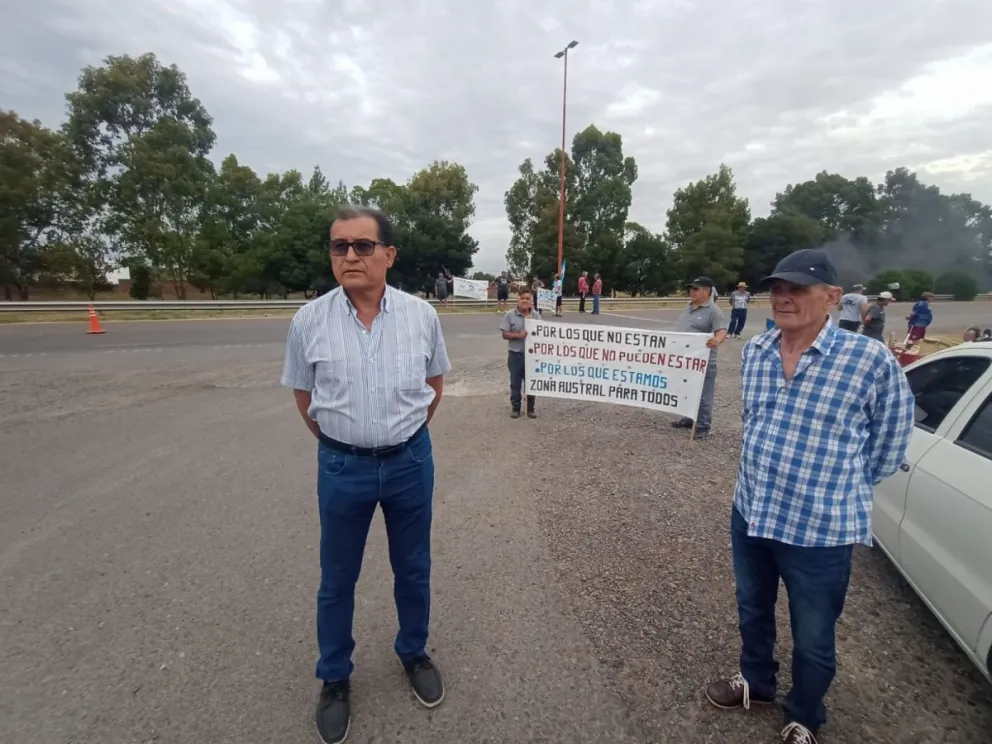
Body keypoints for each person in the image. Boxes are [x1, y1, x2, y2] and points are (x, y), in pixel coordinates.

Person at [704, 248, 914, 744]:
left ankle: (804, 713)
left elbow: (890, 443)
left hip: (819, 531)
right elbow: (756, 426)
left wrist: (837, 489)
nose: (783, 297)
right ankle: (756, 681)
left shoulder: (869, 360)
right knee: (752, 608)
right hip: (752, 511)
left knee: (814, 634)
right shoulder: (756, 352)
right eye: (778, 288)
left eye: (797, 289)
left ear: (832, 298)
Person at [281, 206, 451, 744]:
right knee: (337, 581)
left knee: (414, 568)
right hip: (342, 465)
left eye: (361, 246)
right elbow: (304, 398)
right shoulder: (308, 321)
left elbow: (433, 388)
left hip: (409, 462)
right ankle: (334, 678)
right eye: (339, 247)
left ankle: (413, 651)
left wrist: (397, 439)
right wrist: (347, 444)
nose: (350, 256)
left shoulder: (422, 315)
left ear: (388, 255)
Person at [670, 276, 727, 439]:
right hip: (686, 359)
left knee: (703, 394)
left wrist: (717, 340)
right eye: (691, 288)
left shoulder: (713, 311)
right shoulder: (688, 307)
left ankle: (702, 425)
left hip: (703, 360)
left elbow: (722, 331)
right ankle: (689, 418)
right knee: (688, 389)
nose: (691, 292)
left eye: (695, 289)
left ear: (706, 291)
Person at [500, 289, 539, 418]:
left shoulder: (536, 315)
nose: (525, 301)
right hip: (515, 355)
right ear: (518, 299)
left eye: (528, 298)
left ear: (531, 301)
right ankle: (515, 407)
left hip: (532, 356)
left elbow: (544, 333)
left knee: (531, 383)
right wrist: (518, 335)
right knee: (515, 383)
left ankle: (530, 408)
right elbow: (505, 334)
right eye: (522, 298)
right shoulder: (510, 315)